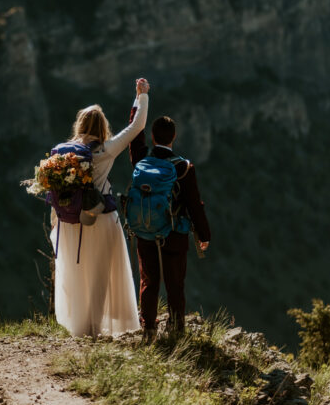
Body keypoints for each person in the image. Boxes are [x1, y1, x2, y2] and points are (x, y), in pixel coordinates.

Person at [51, 79, 149, 338]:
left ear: (80, 125)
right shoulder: (105, 150)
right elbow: (137, 127)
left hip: (69, 222)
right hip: (101, 219)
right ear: (102, 126)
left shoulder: (64, 153)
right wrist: (141, 96)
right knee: (100, 276)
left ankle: (79, 328)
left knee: (76, 274)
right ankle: (94, 329)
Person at [128, 98, 211, 338]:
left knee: (148, 281)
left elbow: (135, 135)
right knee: (175, 283)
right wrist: (204, 235)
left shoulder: (141, 160)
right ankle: (176, 330)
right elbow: (195, 205)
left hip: (145, 230)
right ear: (173, 138)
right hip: (174, 234)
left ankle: (149, 329)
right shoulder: (183, 167)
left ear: (153, 137)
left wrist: (139, 100)